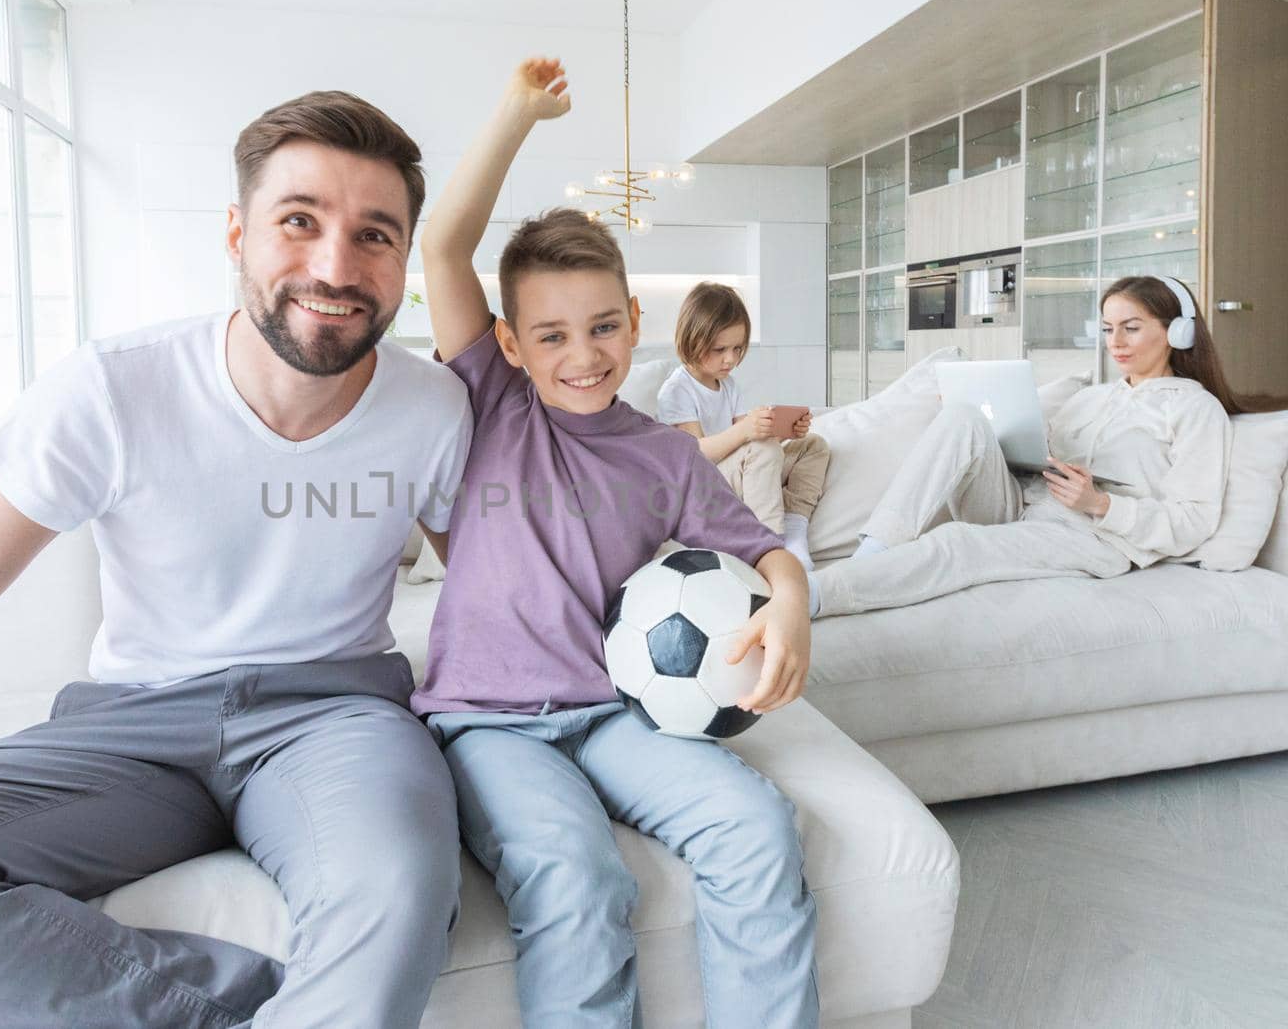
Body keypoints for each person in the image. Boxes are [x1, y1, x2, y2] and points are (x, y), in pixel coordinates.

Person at [0, 91, 474, 1029]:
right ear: (236, 232)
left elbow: (499, 589)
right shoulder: (113, 389)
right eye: (298, 220)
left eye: (375, 235)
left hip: (335, 716)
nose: (335, 265)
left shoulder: (435, 408)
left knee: (397, 894)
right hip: (135, 726)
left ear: (403, 260)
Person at [409, 57, 818, 1029]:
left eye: (601, 326)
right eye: (549, 335)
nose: (581, 353)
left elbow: (765, 549)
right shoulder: (497, 405)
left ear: (635, 323)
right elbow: (442, 249)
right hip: (488, 723)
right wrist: (515, 115)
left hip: (612, 714)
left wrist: (791, 600)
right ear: (509, 345)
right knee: (577, 876)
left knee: (756, 824)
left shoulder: (666, 457)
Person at [810, 274, 1240, 619]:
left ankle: (814, 596)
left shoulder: (1196, 408)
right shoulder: (1092, 398)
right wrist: (989, 418)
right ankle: (872, 551)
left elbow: (1194, 519)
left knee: (957, 541)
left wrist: (1101, 504)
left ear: (1177, 332)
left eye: (1131, 328)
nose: (1116, 342)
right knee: (962, 417)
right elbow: (1038, 453)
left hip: (1094, 537)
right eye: (1108, 329)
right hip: (1024, 502)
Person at [658, 281, 831, 570]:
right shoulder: (677, 390)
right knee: (761, 449)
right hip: (705, 486)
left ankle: (794, 526)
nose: (731, 358)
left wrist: (782, 430)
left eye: (738, 348)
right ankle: (768, 547)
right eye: (719, 349)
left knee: (813, 446)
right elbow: (695, 456)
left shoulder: (728, 384)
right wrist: (747, 431)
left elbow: (749, 441)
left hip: (737, 474)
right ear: (692, 340)